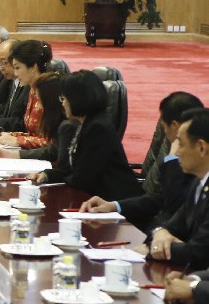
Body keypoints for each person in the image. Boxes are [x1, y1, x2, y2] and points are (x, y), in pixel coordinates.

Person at [79, 91, 205, 233]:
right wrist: (113, 206)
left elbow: (174, 204)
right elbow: (161, 199)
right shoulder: (192, 163)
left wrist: (172, 158)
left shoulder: (191, 165)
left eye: (164, 127)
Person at [32, 71, 142, 200]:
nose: (62, 103)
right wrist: (47, 174)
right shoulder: (87, 123)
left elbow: (82, 178)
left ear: (77, 99)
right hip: (97, 197)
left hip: (115, 200)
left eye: (64, 98)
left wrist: (53, 177)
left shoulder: (97, 128)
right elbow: (74, 171)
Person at [142, 110, 209, 304]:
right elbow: (172, 225)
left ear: (202, 148)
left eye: (180, 144)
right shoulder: (199, 183)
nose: (176, 151)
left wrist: (151, 249)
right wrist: (161, 232)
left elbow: (199, 252)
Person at [0, 40, 55, 149]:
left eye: (17, 67)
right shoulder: (33, 88)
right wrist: (11, 135)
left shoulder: (50, 90)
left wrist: (19, 141)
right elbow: (33, 134)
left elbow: (52, 142)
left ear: (33, 67)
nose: (16, 73)